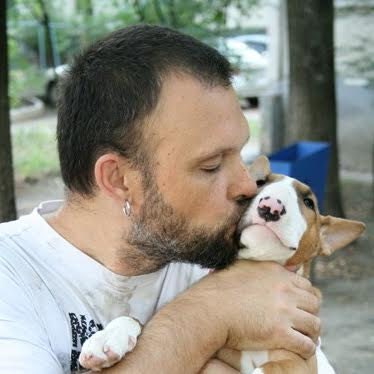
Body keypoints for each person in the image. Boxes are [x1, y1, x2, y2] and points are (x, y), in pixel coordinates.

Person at [0, 25, 334, 374]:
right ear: (119, 180)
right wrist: (209, 314)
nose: (248, 186)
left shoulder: (219, 254)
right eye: (211, 165)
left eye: (241, 155)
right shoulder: (11, 276)